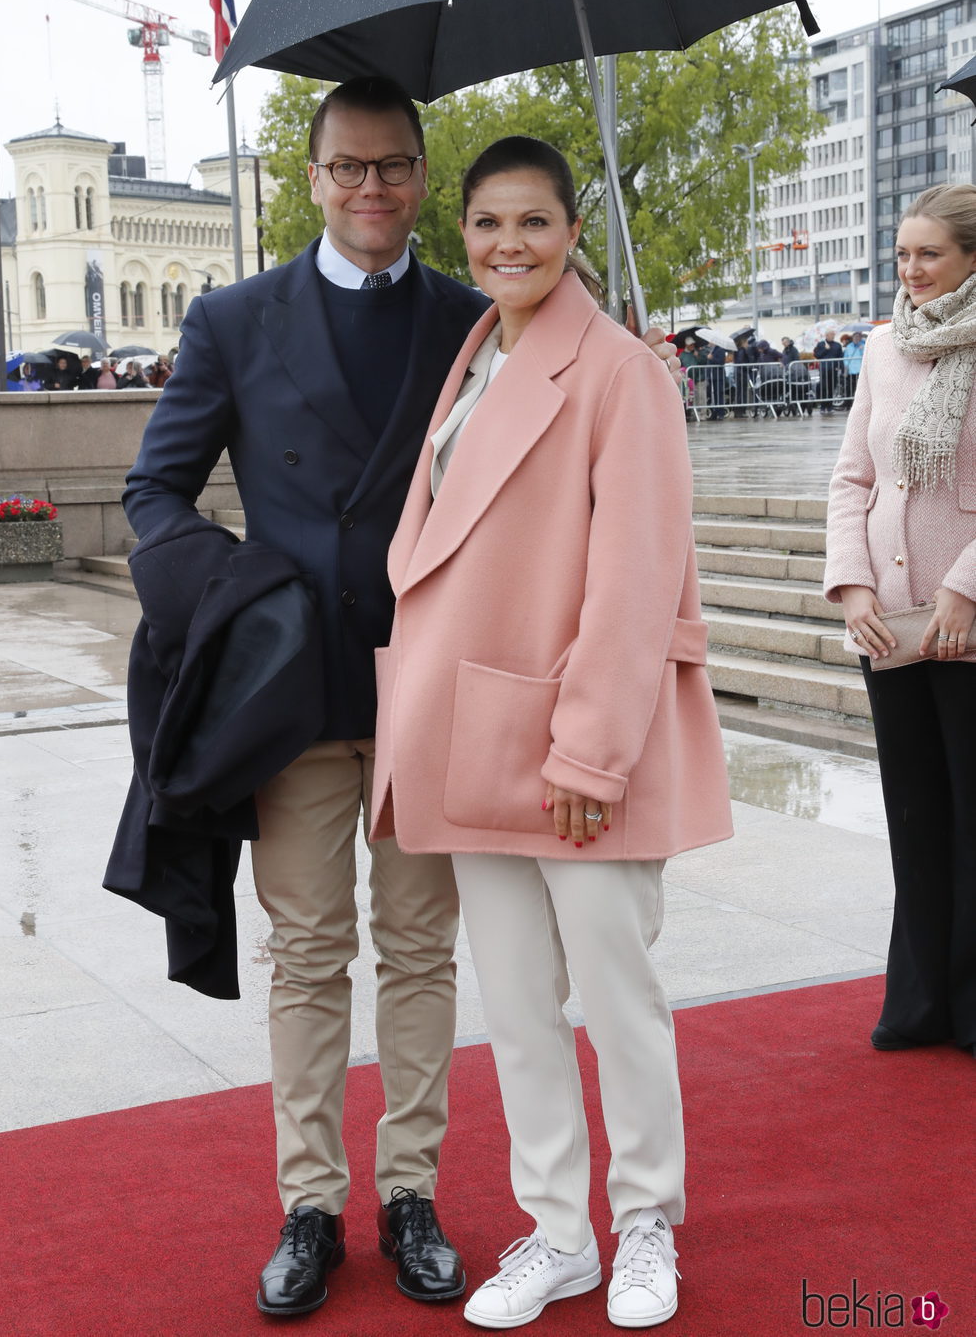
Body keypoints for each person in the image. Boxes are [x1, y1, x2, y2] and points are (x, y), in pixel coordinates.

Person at [121, 75, 682, 1320]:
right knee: (311, 956)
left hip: (443, 700)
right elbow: (152, 493)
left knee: (427, 957)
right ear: (311, 180)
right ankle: (310, 1205)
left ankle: (412, 1193)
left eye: (393, 167)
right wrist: (232, 596)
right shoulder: (232, 317)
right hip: (298, 695)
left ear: (423, 179)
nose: (371, 188)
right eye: (347, 168)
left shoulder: (475, 316)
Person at [371, 136, 732, 1330]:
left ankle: (643, 1225)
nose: (507, 246)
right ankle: (556, 1229)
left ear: (573, 231)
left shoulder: (620, 371)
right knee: (518, 1003)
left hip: (582, 736)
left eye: (532, 223)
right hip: (474, 729)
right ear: (458, 234)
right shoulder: (477, 353)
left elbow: (634, 579)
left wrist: (587, 750)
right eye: (485, 224)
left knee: (615, 994)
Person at [824, 182, 976, 1060]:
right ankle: (919, 1002)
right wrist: (852, 586)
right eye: (903, 255)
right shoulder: (884, 348)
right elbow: (853, 478)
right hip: (888, 623)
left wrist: (964, 586)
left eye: (930, 254)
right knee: (913, 814)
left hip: (966, 623)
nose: (911, 271)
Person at [814, 326, 843, 405]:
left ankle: (830, 405)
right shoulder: (821, 344)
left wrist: (840, 367)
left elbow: (840, 357)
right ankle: (823, 405)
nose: (833, 336)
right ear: (826, 335)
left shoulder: (837, 345)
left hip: (833, 369)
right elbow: (817, 355)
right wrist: (825, 349)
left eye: (833, 334)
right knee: (824, 387)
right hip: (824, 369)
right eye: (831, 334)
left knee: (832, 387)